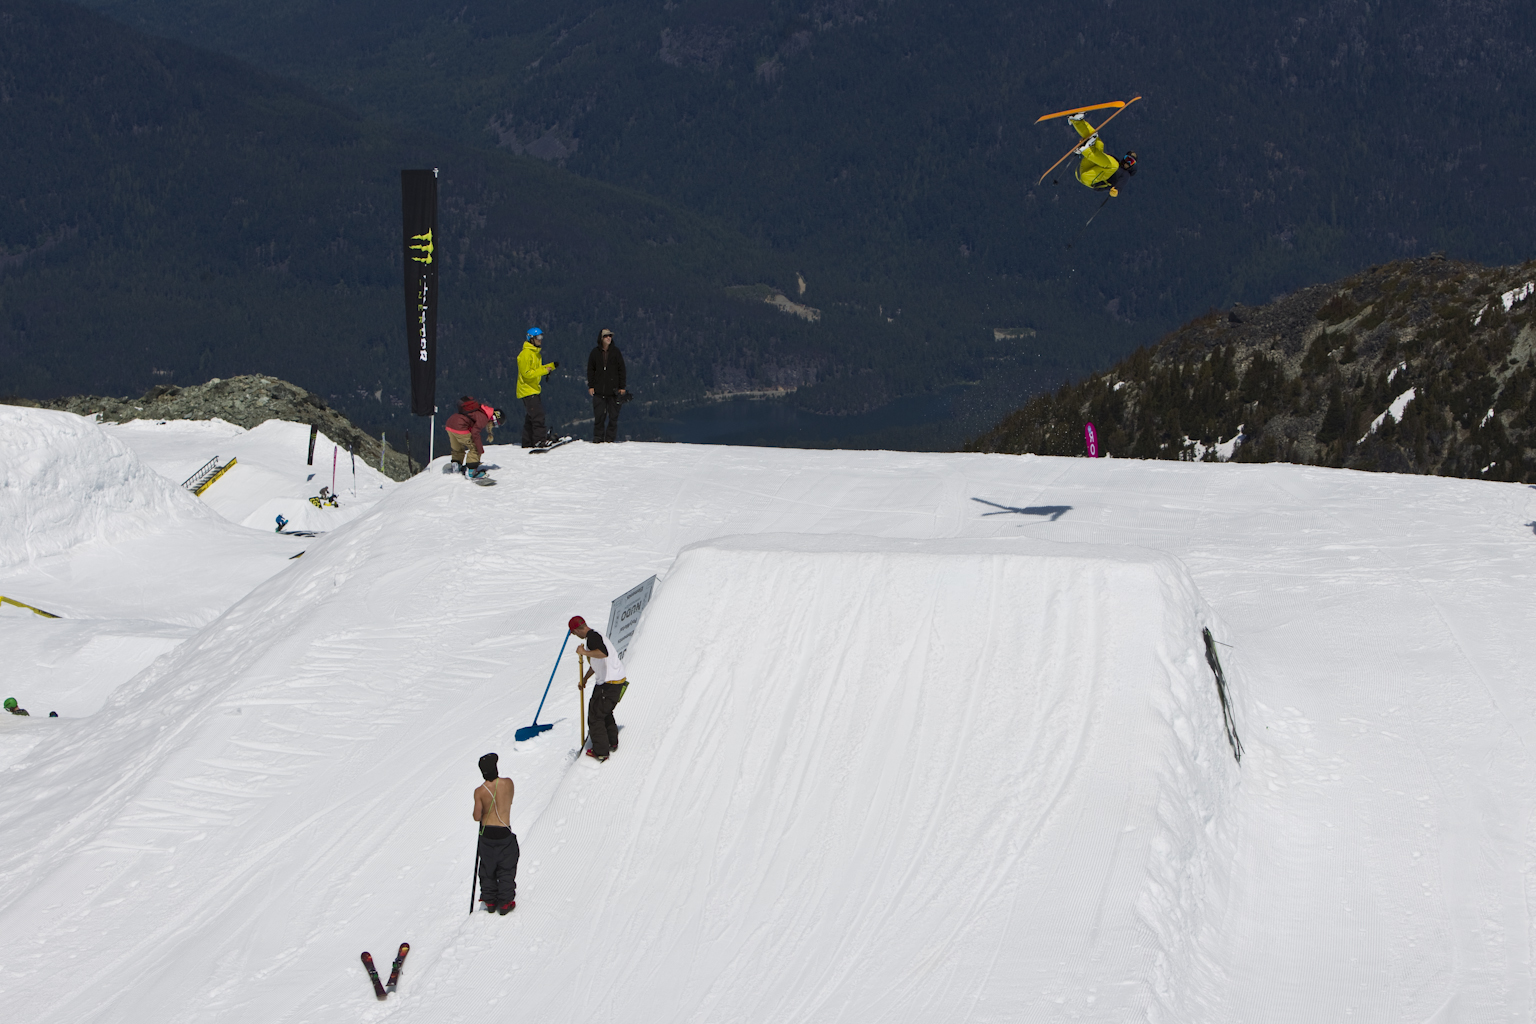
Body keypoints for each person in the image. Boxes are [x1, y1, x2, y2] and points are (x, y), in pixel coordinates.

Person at [569, 615, 629, 762]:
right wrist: (585, 678)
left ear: (577, 629)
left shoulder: (592, 638)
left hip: (609, 683)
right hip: (615, 681)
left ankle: (601, 751)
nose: (574, 635)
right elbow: (597, 661)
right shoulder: (596, 635)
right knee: (604, 711)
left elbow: (603, 653)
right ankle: (612, 742)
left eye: (573, 633)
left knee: (595, 716)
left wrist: (584, 653)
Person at [473, 752, 519, 915]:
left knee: (487, 868)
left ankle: (490, 900)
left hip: (487, 834)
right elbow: (509, 800)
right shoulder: (508, 784)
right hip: (504, 832)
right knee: (506, 867)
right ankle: (505, 902)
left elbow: (477, 816)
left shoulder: (479, 791)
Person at [1068, 113, 1137, 196]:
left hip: (1090, 179)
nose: (1127, 163)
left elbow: (1119, 186)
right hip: (1087, 168)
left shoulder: (1125, 175)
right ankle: (1077, 121)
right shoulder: (1116, 163)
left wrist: (1115, 191)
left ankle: (1085, 150)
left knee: (1114, 165)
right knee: (1099, 143)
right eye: (1127, 159)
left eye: (1131, 161)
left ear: (1133, 165)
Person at [516, 328, 559, 448]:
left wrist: (551, 366)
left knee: (531, 416)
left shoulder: (535, 353)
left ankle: (528, 442)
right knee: (538, 415)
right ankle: (539, 440)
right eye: (538, 338)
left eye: (541, 337)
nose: (541, 340)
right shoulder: (525, 354)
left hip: (533, 389)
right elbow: (527, 373)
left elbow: (536, 370)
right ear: (531, 339)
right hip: (527, 390)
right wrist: (544, 371)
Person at [586, 328, 628, 443]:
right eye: (606, 336)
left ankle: (610, 439)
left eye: (610, 336)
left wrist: (622, 387)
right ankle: (598, 438)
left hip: (613, 391)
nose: (609, 338)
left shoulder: (616, 352)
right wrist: (591, 386)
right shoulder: (595, 353)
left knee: (613, 417)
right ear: (601, 338)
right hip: (599, 391)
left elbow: (621, 370)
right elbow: (591, 370)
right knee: (599, 416)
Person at [444, 396, 502, 474]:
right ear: (494, 419)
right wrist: (479, 448)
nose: (493, 426)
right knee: (475, 449)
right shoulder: (484, 417)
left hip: (450, 424)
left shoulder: (480, 409)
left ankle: (456, 466)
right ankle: (471, 471)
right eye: (496, 424)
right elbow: (475, 432)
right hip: (460, 427)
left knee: (457, 448)